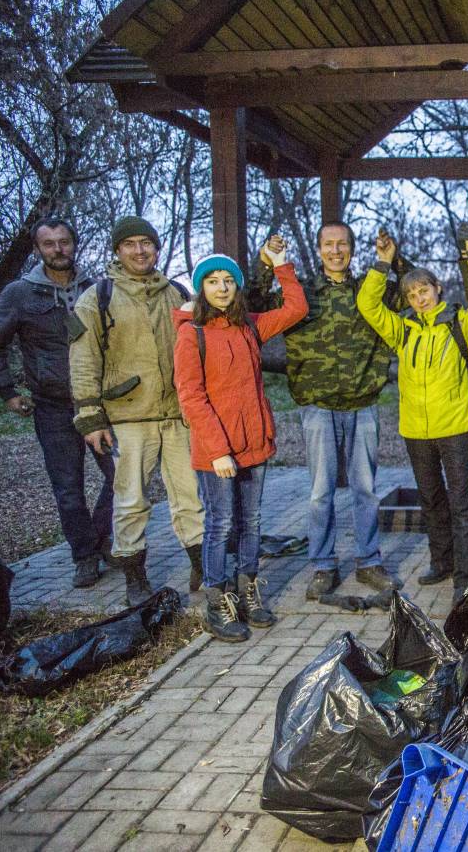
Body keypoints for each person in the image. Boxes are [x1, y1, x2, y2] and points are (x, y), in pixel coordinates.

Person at [246, 220, 405, 600]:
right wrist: (266, 261)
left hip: (363, 402)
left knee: (365, 490)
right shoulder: (299, 293)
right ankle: (322, 565)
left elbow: (410, 291)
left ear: (352, 248)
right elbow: (252, 304)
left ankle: (368, 562)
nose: (336, 251)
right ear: (318, 250)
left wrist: (393, 258)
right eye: (328, 245)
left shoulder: (371, 288)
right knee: (320, 492)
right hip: (317, 405)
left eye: (343, 244)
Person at [173, 237, 307, 641]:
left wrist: (281, 264)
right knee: (220, 524)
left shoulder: (249, 326)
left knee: (252, 522)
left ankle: (248, 592)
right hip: (218, 454)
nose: (221, 288)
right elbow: (191, 397)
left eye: (227, 280)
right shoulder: (190, 335)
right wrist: (217, 451)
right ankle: (218, 602)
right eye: (211, 282)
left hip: (254, 446)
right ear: (202, 289)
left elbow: (296, 308)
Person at [356, 224, 468, 600]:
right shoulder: (402, 329)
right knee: (431, 499)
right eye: (412, 293)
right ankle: (443, 562)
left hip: (454, 427)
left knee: (462, 502)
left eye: (424, 290)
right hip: (415, 430)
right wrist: (382, 264)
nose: (419, 297)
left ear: (438, 289)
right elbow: (367, 305)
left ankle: (467, 575)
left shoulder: (460, 324)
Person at [68, 216, 204, 606]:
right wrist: (90, 417)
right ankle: (134, 576)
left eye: (147, 243)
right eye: (131, 244)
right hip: (127, 418)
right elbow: (82, 360)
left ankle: (200, 564)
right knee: (129, 500)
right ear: (117, 250)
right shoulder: (97, 297)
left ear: (157, 248)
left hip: (177, 415)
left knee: (190, 496)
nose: (140, 250)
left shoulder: (177, 293)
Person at [0, 218, 116, 588]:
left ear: (75, 244)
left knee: (123, 475)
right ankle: (85, 556)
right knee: (68, 488)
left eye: (65, 242)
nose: (58, 250)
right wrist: (7, 391)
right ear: (38, 249)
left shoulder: (97, 289)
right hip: (53, 406)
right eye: (49, 244)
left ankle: (102, 540)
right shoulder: (20, 294)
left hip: (100, 404)